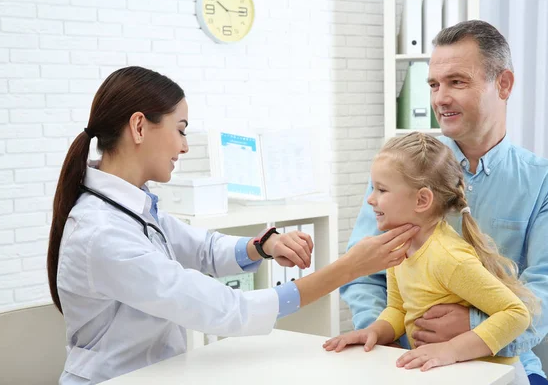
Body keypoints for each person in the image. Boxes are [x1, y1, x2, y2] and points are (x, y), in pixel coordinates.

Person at [47, 66, 421, 385]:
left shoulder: (133, 204)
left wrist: (263, 245)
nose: (185, 146)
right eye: (180, 129)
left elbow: (202, 247)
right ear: (140, 127)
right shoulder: (102, 234)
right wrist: (348, 267)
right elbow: (229, 309)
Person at [340, 20, 548, 385]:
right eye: (434, 84)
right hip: (405, 361)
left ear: (503, 84)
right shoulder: (401, 172)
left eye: (457, 81)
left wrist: (471, 327)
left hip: (503, 363)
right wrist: (387, 332)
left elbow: (546, 289)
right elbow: (363, 275)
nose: (440, 98)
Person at [325, 133, 539, 384]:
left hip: (493, 377)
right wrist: (374, 332)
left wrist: (451, 350)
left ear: (422, 200)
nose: (371, 199)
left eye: (381, 189)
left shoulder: (447, 258)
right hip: (450, 373)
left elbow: (516, 314)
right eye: (373, 188)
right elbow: (398, 308)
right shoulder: (400, 249)